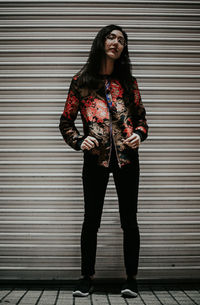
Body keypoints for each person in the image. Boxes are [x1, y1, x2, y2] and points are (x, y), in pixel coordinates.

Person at [59, 24, 148, 298]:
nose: (116, 43)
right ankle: (86, 277)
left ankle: (131, 279)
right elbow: (65, 122)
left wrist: (139, 136)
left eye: (121, 40)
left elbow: (143, 120)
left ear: (124, 49)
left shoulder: (129, 82)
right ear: (101, 42)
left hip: (126, 160)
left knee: (129, 220)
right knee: (91, 220)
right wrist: (78, 141)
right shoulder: (81, 81)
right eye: (111, 37)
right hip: (95, 160)